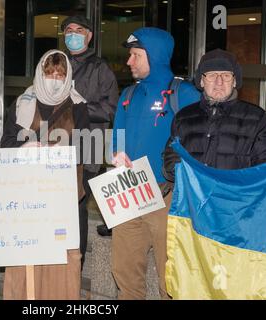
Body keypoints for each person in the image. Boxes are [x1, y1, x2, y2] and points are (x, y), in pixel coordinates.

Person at [111, 27, 200, 300]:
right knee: (124, 271)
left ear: (155, 55)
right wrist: (116, 154)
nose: (129, 62)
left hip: (167, 195)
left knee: (169, 275)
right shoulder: (128, 94)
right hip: (129, 191)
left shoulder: (183, 93)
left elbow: (199, 142)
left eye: (135, 55)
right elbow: (118, 135)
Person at [0, 49, 90, 299]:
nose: (55, 80)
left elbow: (87, 149)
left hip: (65, 195)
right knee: (27, 257)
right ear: (41, 73)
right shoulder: (23, 102)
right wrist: (24, 147)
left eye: (60, 75)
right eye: (49, 74)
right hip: (27, 193)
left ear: (68, 76)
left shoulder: (79, 105)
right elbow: (6, 142)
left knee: (64, 258)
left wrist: (59, 154)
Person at [162, 48, 266, 181]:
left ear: (234, 81)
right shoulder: (183, 118)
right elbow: (171, 157)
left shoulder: (257, 118)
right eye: (212, 75)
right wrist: (188, 179)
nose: (219, 82)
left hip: (236, 200)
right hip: (195, 200)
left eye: (226, 75)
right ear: (201, 81)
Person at [61, 15, 119, 252]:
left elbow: (111, 108)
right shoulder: (57, 63)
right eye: (68, 30)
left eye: (78, 30)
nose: (72, 34)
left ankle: (77, 258)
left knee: (77, 203)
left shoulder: (100, 68)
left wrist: (79, 108)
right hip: (57, 145)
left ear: (89, 36)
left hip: (88, 146)